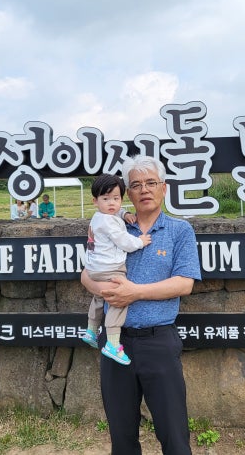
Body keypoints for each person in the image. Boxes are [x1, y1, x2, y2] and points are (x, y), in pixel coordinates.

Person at [80, 156, 201, 454]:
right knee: (121, 436)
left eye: (151, 183)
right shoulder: (111, 223)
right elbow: (86, 272)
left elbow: (184, 283)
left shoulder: (179, 230)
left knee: (174, 435)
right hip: (115, 344)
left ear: (164, 188)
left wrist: (134, 293)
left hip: (158, 341)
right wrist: (105, 290)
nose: (144, 190)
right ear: (127, 193)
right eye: (136, 185)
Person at [81, 174, 151, 365]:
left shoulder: (99, 217)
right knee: (118, 300)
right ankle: (112, 343)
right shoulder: (109, 222)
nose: (112, 203)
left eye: (116, 198)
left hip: (94, 267)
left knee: (98, 297)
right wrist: (140, 241)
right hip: (110, 268)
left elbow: (114, 213)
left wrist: (124, 214)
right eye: (106, 199)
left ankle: (91, 330)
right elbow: (123, 241)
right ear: (95, 201)